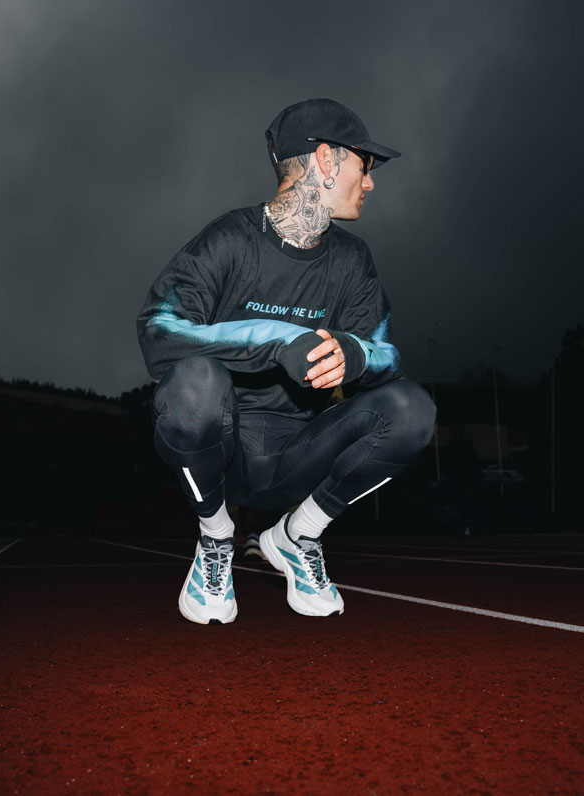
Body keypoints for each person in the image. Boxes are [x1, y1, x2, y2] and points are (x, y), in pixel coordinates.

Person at [136, 98, 436, 624]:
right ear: (325, 160)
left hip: (298, 454)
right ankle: (216, 537)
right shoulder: (230, 240)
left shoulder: (352, 261)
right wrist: (276, 339)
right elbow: (159, 329)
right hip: (219, 450)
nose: (370, 184)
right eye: (364, 167)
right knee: (192, 386)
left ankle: (299, 535)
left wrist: (355, 353)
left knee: (413, 410)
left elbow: (390, 356)